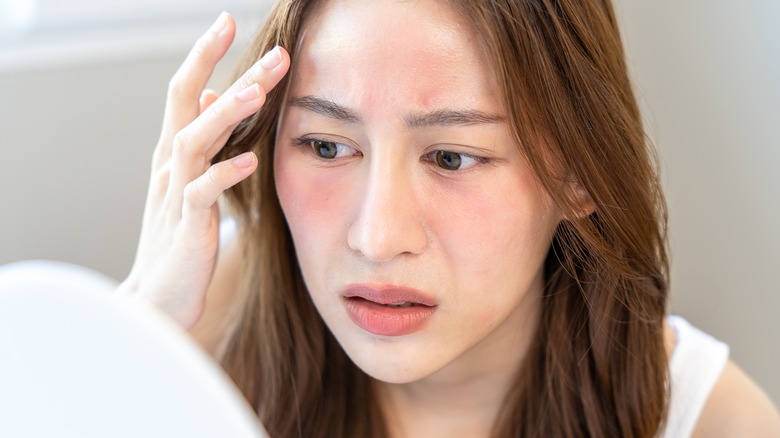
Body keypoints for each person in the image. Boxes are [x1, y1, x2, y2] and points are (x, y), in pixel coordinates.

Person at [117, 0, 780, 436]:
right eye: (325, 146)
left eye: (452, 158)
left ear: (579, 174)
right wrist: (131, 333)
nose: (376, 238)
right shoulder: (205, 320)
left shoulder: (710, 422)